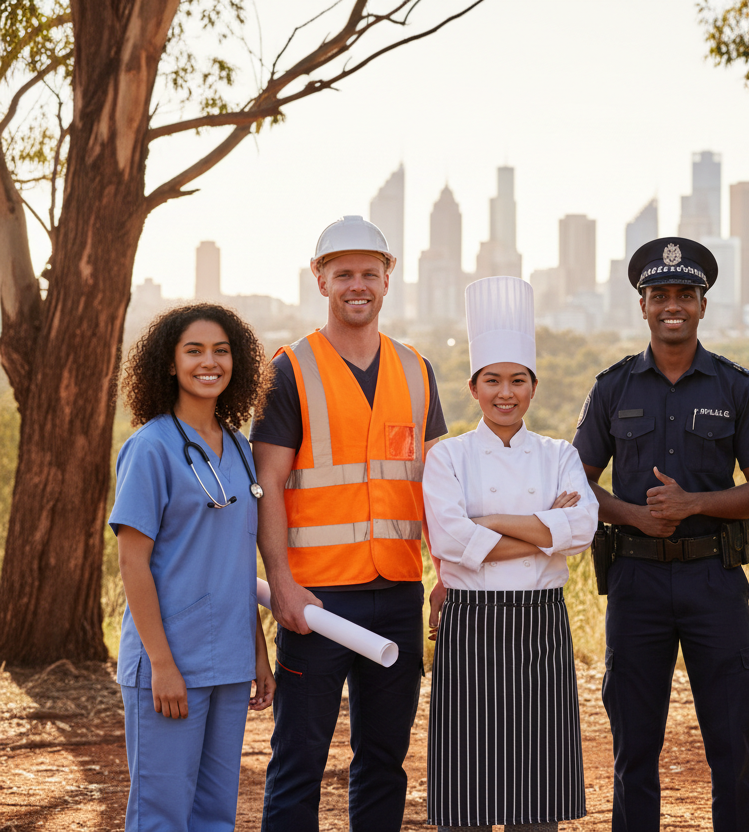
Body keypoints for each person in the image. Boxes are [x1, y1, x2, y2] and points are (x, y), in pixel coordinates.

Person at [572, 237, 749, 832]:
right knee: (634, 747)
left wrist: (696, 504)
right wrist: (635, 515)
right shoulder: (612, 386)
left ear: (702, 305)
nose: (673, 305)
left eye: (684, 295)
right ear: (642, 305)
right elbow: (575, 484)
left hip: (713, 579)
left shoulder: (735, 386)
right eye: (659, 294)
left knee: (732, 743)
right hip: (635, 582)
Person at [252, 215, 447, 830]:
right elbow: (269, 487)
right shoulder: (289, 369)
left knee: (384, 760)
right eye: (343, 274)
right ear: (320, 279)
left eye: (369, 272)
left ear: (388, 279)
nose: (356, 285)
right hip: (316, 599)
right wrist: (280, 582)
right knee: (299, 758)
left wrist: (449, 574)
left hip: (396, 593)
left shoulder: (417, 370)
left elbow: (436, 486)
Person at [422, 275, 598, 831]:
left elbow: (584, 528)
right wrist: (546, 526)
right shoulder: (447, 457)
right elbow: (450, 541)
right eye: (492, 380)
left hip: (540, 623)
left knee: (538, 792)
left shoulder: (559, 454)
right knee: (466, 793)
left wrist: (489, 523)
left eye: (517, 380)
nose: (505, 393)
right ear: (473, 388)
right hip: (469, 624)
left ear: (533, 386)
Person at [111, 303, 276, 831]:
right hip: (170, 661)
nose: (210, 362)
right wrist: (161, 663)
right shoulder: (150, 448)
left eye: (221, 351)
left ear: (238, 363)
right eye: (195, 350)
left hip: (229, 659)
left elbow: (236, 559)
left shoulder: (241, 449)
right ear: (169, 362)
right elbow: (132, 564)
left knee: (214, 814)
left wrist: (257, 651)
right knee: (161, 815)